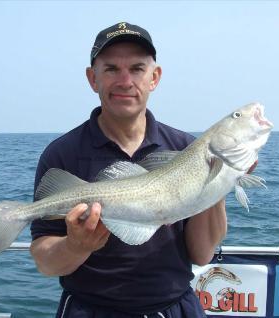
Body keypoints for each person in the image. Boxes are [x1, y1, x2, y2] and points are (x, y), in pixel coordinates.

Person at [30, 22, 227, 318]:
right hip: (89, 310)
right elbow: (45, 262)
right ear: (92, 78)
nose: (125, 81)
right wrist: (75, 246)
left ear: (154, 78)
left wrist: (219, 177)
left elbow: (201, 254)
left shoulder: (187, 148)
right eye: (111, 69)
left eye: (137, 68)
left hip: (173, 308)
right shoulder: (62, 153)